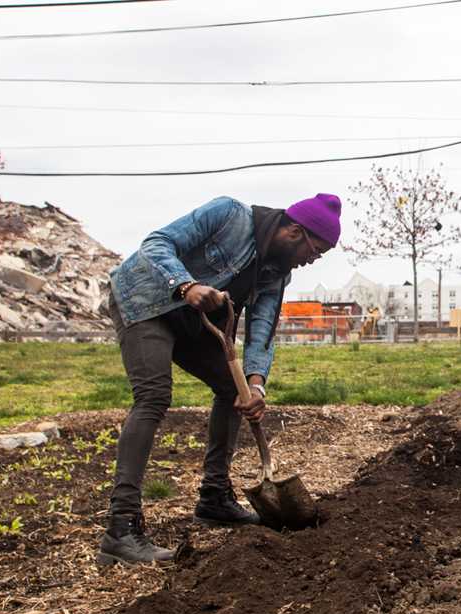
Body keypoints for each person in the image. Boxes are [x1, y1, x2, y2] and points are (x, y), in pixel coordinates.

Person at [100, 194, 340, 565]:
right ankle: (121, 529)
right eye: (316, 250)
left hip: (194, 323)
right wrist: (186, 285)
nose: (312, 260)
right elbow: (156, 244)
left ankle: (214, 499)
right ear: (294, 232)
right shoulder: (229, 216)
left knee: (233, 390)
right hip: (146, 302)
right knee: (153, 396)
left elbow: (262, 329)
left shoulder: (277, 272)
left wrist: (256, 386)